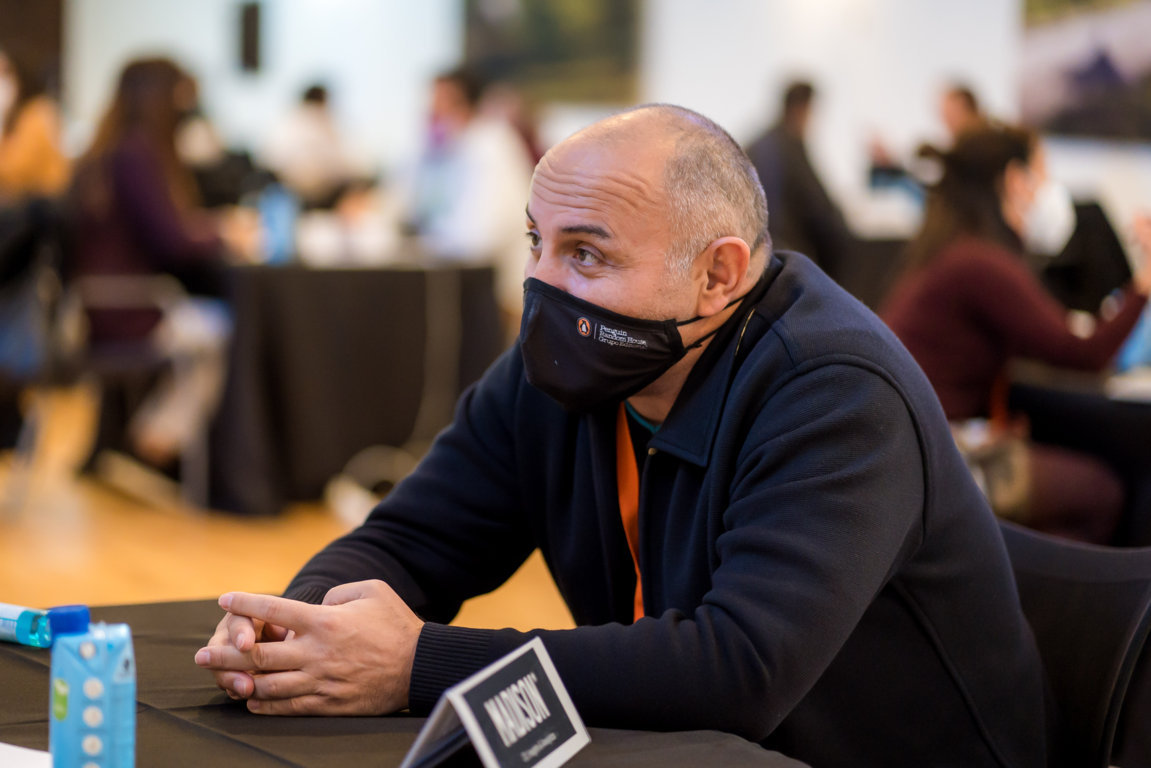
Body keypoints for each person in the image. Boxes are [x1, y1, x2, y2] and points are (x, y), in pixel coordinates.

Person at [195, 104, 1047, 767]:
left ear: (717, 274)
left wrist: (416, 663)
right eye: (537, 242)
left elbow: (737, 669)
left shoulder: (836, 393)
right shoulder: (561, 369)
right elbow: (410, 540)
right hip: (681, 747)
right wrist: (298, 627)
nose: (539, 284)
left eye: (586, 256)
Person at [882, 124, 1150, 545]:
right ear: (1013, 179)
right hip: (942, 460)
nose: (1047, 187)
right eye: (1041, 172)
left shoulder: (950, 249)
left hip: (911, 451)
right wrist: (1143, 285)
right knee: (1103, 491)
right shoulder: (983, 262)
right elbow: (1085, 354)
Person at [67, 57, 233, 469]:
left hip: (95, 309)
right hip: (129, 310)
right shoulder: (137, 155)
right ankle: (155, 439)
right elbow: (173, 240)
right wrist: (224, 233)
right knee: (223, 328)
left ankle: (140, 441)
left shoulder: (103, 152)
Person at [401, 67, 534, 335]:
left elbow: (480, 235)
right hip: (462, 279)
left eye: (441, 102)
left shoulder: (490, 145)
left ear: (464, 104)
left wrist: (425, 242)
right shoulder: (446, 147)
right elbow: (412, 205)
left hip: (497, 291)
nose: (432, 111)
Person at [744, 80, 853, 281]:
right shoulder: (790, 147)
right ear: (803, 109)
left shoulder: (757, 144)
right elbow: (819, 208)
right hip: (786, 258)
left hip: (755, 254)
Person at [261, 83, 358, 210]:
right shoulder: (317, 122)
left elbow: (270, 158)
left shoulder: (290, 122)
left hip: (303, 191)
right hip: (302, 192)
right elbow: (346, 161)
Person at [0, 47, 70, 201]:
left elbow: (18, 169)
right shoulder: (13, 118)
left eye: (4, 72)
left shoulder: (38, 112)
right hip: (22, 203)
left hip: (43, 205)